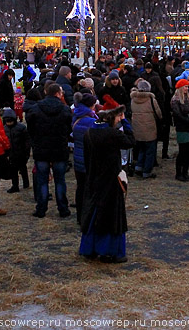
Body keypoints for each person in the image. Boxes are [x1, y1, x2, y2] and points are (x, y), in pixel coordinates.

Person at [79, 104, 135, 263]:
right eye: (118, 117)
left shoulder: (89, 132)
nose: (119, 119)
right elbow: (131, 141)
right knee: (111, 216)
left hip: (93, 179)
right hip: (110, 180)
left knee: (93, 213)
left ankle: (90, 249)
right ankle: (108, 251)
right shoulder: (112, 134)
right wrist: (125, 123)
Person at [26, 83, 72, 218]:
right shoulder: (65, 110)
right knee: (60, 180)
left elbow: (31, 129)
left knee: (42, 180)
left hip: (41, 149)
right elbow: (69, 129)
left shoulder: (35, 109)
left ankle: (41, 208)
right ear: (58, 93)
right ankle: (63, 208)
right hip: (59, 148)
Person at [71, 92, 97, 224]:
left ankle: (80, 216)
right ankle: (89, 217)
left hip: (78, 159)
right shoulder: (92, 121)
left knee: (80, 188)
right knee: (90, 189)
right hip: (90, 160)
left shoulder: (76, 117)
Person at [130, 80, 161, 179]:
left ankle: (139, 167)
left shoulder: (133, 99)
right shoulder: (151, 99)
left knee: (141, 149)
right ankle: (147, 171)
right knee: (150, 151)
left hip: (137, 128)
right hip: (149, 128)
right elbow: (158, 113)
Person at [171, 78, 189, 182]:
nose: (187, 88)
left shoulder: (187, 98)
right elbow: (177, 115)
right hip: (182, 128)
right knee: (183, 151)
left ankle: (185, 172)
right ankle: (179, 173)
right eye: (185, 86)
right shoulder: (175, 100)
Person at [2, 108, 30, 194]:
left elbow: (27, 141)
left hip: (21, 152)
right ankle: (15, 186)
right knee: (13, 171)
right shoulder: (4, 129)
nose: (9, 123)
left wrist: (26, 153)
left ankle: (26, 183)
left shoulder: (21, 128)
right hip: (11, 154)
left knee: (23, 169)